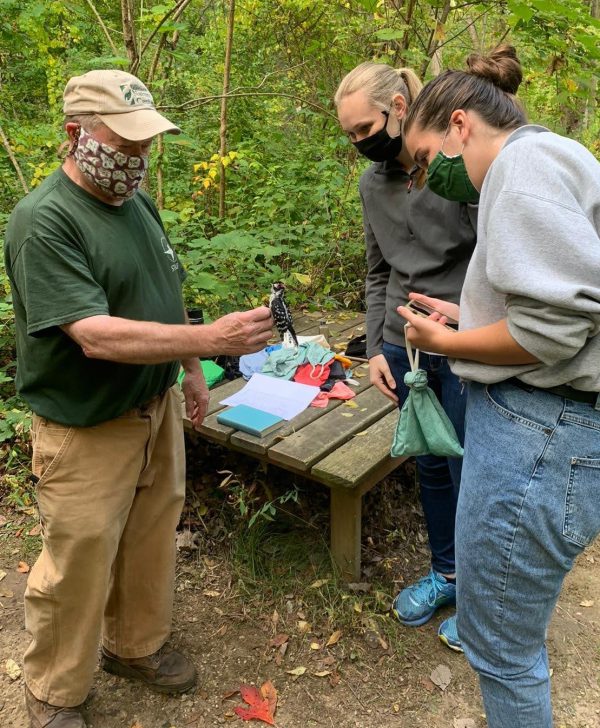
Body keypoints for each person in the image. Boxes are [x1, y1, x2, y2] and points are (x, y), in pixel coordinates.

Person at [4, 69, 273, 728]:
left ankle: (134, 647)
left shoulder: (137, 203)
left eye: (145, 143)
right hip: (86, 425)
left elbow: (164, 287)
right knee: (80, 558)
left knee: (152, 536)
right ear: (76, 136)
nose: (137, 159)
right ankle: (54, 689)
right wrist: (209, 337)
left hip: (153, 408)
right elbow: (91, 334)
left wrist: (190, 365)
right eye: (123, 143)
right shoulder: (46, 220)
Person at [400, 45, 600, 728]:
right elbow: (551, 301)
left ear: (461, 125)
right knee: (507, 631)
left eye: (426, 161)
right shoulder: (554, 154)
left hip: (542, 433)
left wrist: (444, 343)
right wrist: (471, 315)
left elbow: (556, 328)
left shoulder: (519, 169)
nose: (429, 182)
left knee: (501, 646)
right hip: (555, 424)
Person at [334, 62, 477, 650]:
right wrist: (374, 347)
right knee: (429, 464)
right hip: (403, 345)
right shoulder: (372, 186)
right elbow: (376, 272)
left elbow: (491, 254)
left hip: (466, 340)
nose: (358, 143)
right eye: (347, 134)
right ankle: (446, 574)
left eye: (363, 128)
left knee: (475, 469)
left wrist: (471, 323)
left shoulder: (455, 169)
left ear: (398, 106)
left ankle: (483, 600)